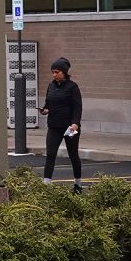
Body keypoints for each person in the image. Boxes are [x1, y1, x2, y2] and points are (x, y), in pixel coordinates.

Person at [39, 56, 83, 193]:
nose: (54, 74)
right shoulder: (51, 86)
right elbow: (48, 103)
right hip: (54, 126)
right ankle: (46, 185)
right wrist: (45, 110)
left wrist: (75, 123)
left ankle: (78, 184)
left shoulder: (72, 87)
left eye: (57, 72)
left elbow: (77, 107)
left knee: (73, 155)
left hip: (69, 127)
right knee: (50, 154)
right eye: (52, 72)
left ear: (64, 72)